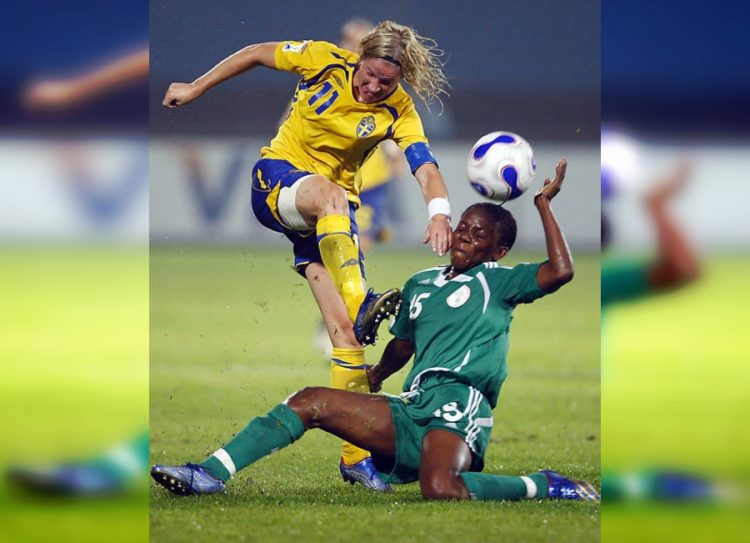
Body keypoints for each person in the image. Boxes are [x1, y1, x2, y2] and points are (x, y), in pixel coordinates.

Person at [151, 159, 599, 502]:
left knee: (441, 488)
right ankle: (208, 474)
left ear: (498, 250)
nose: (463, 237)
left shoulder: (499, 283)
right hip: (412, 406)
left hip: (458, 407)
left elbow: (561, 271)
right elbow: (402, 346)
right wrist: (379, 374)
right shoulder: (421, 283)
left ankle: (542, 484)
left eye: (477, 235)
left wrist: (543, 205)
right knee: (310, 401)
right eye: (462, 227)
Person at [162, 20, 453, 490]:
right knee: (334, 198)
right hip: (279, 180)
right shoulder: (321, 58)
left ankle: (356, 459)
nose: (375, 87)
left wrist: (439, 213)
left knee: (347, 340)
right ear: (357, 59)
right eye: (370, 76)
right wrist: (196, 87)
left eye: (387, 82)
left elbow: (425, 166)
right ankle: (362, 301)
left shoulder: (399, 110)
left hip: (328, 224)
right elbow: (257, 50)